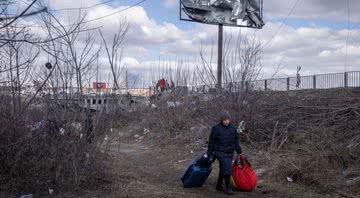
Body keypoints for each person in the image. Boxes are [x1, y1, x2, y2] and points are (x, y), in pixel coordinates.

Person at [207, 110, 242, 196]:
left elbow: (236, 141)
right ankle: (228, 188)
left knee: (224, 168)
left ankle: (219, 185)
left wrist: (239, 152)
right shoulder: (216, 128)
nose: (227, 121)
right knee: (227, 170)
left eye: (228, 119)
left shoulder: (233, 128)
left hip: (230, 152)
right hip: (220, 152)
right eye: (225, 120)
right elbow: (211, 141)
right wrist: (210, 153)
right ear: (221, 120)